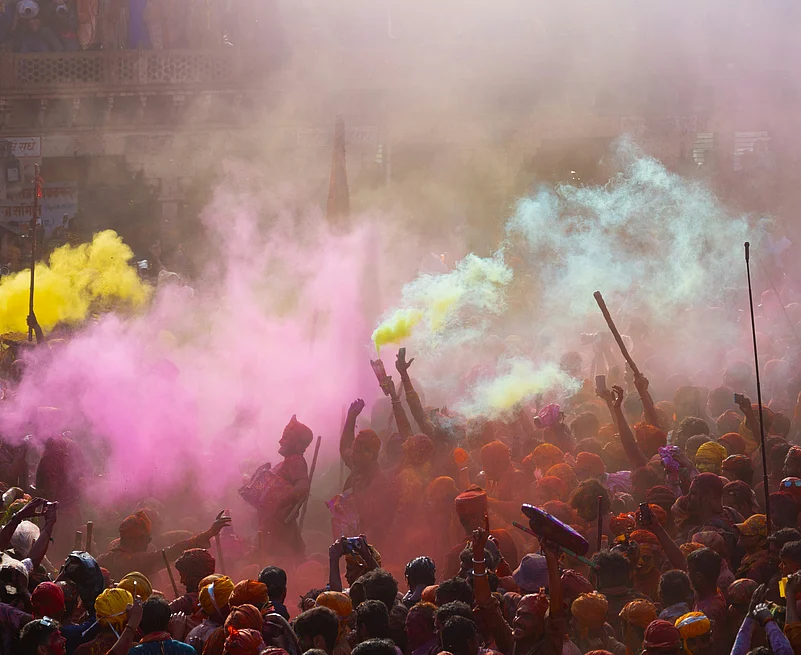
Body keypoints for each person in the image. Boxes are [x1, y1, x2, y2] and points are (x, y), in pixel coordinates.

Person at [97, 510, 230, 581]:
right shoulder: (135, 561)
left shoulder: (101, 560)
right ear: (136, 539)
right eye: (147, 538)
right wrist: (209, 533)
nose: (149, 542)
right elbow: (172, 551)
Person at [511, 539, 567, 655]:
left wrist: (551, 558)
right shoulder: (512, 642)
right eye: (518, 614)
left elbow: (556, 616)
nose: (518, 621)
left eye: (527, 617)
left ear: (544, 624)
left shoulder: (547, 650)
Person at [686, 548, 729, 654]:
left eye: (689, 572)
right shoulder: (711, 593)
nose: (687, 575)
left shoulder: (709, 611)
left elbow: (713, 648)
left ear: (698, 577)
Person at [171, 548, 215, 615]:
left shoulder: (184, 603)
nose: (181, 581)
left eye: (184, 576)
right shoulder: (223, 594)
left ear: (196, 576)